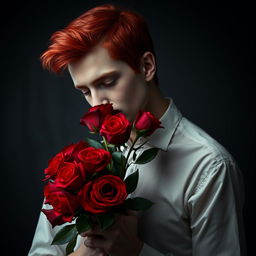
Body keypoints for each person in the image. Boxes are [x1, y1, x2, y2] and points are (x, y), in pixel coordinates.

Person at [28, 3, 247, 256]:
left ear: (146, 66)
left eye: (108, 82)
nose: (97, 105)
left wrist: (136, 251)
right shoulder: (75, 165)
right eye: (86, 91)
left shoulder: (210, 167)